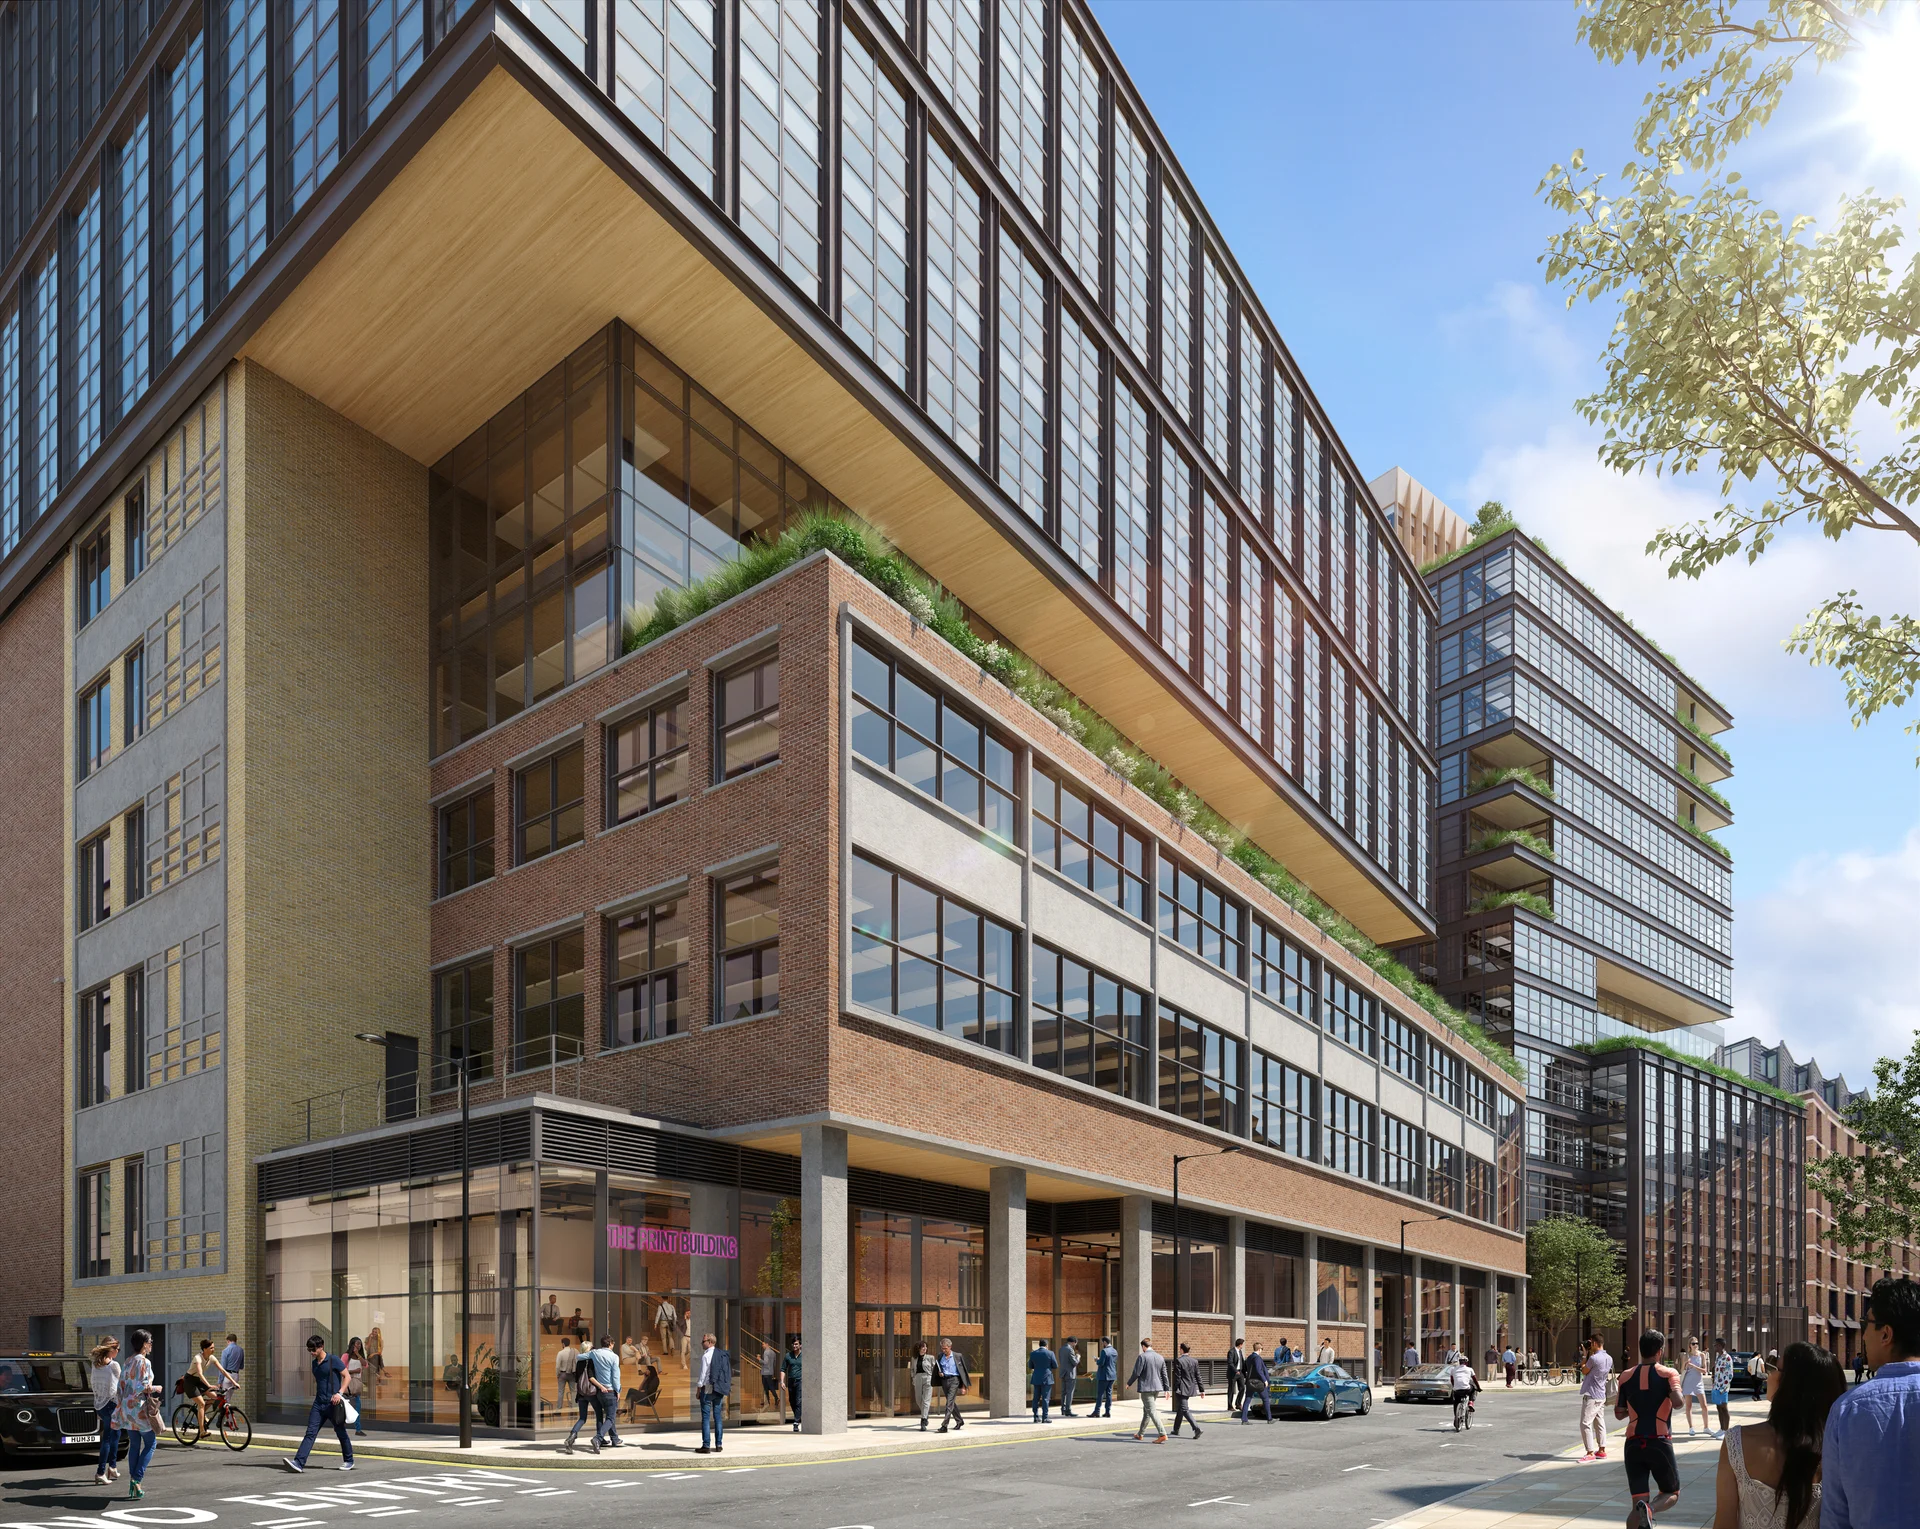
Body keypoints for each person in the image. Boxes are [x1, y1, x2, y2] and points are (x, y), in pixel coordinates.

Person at [1819, 1274, 1920, 1529]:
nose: (1863, 1334)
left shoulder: (1848, 1409)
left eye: (1866, 1323)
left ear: (1886, 1334)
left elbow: (1835, 1517)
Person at [1711, 1339, 1843, 1529]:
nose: (1769, 1374)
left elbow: (1724, 1522)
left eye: (1775, 1368)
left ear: (1789, 1383)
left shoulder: (1738, 1442)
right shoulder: (1838, 1447)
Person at [1614, 1327, 1684, 1529]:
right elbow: (1678, 1403)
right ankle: (1651, 1508)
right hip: (1659, 1441)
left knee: (1637, 1503)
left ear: (1640, 1349)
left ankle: (1644, 1508)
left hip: (1633, 1444)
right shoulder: (1668, 1373)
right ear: (1660, 1351)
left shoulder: (1625, 1376)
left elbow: (1619, 1413)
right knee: (1671, 1493)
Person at [284, 1333, 354, 1474]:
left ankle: (349, 1460)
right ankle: (298, 1462)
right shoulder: (314, 1363)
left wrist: (339, 1393)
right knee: (310, 1432)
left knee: (340, 1432)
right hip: (319, 1403)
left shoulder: (333, 1360)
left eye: (313, 1350)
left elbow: (347, 1376)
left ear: (321, 1347)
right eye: (309, 1350)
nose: (311, 1352)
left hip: (333, 1404)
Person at [116, 1329, 162, 1500]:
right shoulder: (144, 1362)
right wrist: (157, 1388)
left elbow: (121, 1387)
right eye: (150, 1342)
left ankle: (134, 1483)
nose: (151, 1345)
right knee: (151, 1443)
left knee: (135, 1445)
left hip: (127, 1410)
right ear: (144, 1344)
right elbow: (143, 1387)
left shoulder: (127, 1361)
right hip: (140, 1409)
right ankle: (137, 1478)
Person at [186, 1337, 236, 1437]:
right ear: (205, 1349)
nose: (213, 1349)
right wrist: (209, 1385)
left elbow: (223, 1370)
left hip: (199, 1381)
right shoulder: (198, 1358)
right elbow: (200, 1373)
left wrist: (234, 1382)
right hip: (190, 1381)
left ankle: (202, 1413)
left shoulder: (211, 1358)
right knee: (201, 1404)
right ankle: (202, 1431)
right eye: (211, 1348)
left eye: (213, 1347)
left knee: (216, 1398)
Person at [90, 1338, 121, 1486]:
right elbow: (118, 1387)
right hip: (111, 1404)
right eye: (117, 1349)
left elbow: (94, 1385)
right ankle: (101, 1472)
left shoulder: (95, 1365)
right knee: (108, 1438)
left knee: (115, 1434)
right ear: (111, 1349)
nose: (118, 1352)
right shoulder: (114, 1366)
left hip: (100, 1405)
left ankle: (113, 1467)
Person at [694, 1331, 731, 1454]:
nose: (701, 1343)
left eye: (703, 1341)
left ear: (709, 1342)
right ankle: (719, 1444)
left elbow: (703, 1375)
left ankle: (706, 1445)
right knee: (718, 1417)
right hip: (719, 1388)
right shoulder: (722, 1354)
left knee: (705, 1417)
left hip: (708, 1388)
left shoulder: (706, 1356)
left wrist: (699, 1389)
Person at [1579, 1335, 1615, 1461]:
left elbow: (1583, 1370)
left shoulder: (1593, 1358)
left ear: (1594, 1343)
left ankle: (1589, 1452)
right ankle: (1602, 1450)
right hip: (1601, 1393)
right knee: (1599, 1422)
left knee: (1585, 1423)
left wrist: (1584, 1355)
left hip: (1592, 1395)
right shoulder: (1609, 1358)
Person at [1128, 1338, 1169, 1443]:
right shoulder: (1160, 1357)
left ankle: (1162, 1434)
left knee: (1151, 1411)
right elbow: (1164, 1374)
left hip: (1146, 1388)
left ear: (1143, 1346)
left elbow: (1137, 1372)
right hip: (1157, 1388)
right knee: (1147, 1410)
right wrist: (1166, 1389)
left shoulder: (1142, 1357)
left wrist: (1129, 1383)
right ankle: (1140, 1434)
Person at [589, 1334, 622, 1450]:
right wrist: (618, 1390)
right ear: (610, 1344)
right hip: (610, 1390)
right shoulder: (614, 1357)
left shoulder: (595, 1353)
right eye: (613, 1344)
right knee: (611, 1418)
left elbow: (580, 1357)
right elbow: (615, 1376)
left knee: (609, 1415)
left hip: (599, 1392)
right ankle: (597, 1438)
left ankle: (615, 1439)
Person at [1171, 1342, 1205, 1439]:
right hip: (1190, 1387)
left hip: (1182, 1388)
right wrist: (1202, 1389)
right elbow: (1198, 1376)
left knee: (1184, 1409)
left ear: (1181, 1350)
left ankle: (1196, 1428)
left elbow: (1178, 1377)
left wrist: (1175, 1388)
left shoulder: (1179, 1361)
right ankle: (1176, 1429)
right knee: (1181, 1409)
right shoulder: (1194, 1361)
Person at [935, 1337, 969, 1432]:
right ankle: (959, 1421)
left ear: (950, 1347)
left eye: (945, 1348)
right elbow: (939, 1368)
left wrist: (963, 1386)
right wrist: (939, 1373)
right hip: (944, 1380)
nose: (943, 1350)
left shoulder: (958, 1356)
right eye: (942, 1348)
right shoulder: (940, 1356)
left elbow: (963, 1372)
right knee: (951, 1403)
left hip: (955, 1380)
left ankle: (944, 1425)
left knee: (949, 1403)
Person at [1682, 1337, 1710, 1437]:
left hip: (1698, 1382)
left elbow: (1704, 1370)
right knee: (1688, 1406)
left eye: (1697, 1343)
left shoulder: (1702, 1355)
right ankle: (1691, 1427)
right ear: (1690, 1345)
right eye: (1693, 1343)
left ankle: (1706, 1427)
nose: (1695, 1345)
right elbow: (1682, 1370)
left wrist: (1694, 1366)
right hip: (1688, 1382)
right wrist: (1686, 1364)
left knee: (1704, 1406)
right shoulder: (1686, 1355)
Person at [907, 1340, 938, 1431]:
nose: (925, 1348)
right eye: (923, 1347)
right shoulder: (914, 1358)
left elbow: (935, 1368)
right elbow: (912, 1369)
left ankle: (923, 1420)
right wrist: (913, 1378)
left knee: (926, 1400)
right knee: (918, 1399)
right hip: (918, 1378)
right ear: (919, 1348)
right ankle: (925, 1413)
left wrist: (933, 1378)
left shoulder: (930, 1357)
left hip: (928, 1378)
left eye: (926, 1347)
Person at [1239, 1341, 1272, 1424]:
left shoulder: (1249, 1357)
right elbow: (1258, 1370)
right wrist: (1264, 1380)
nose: (1262, 1351)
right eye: (1262, 1349)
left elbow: (1245, 1369)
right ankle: (1269, 1419)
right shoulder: (1257, 1358)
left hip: (1250, 1381)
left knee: (1247, 1400)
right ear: (1259, 1349)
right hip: (1258, 1382)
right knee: (1266, 1399)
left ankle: (1244, 1419)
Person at [1028, 1339, 1058, 1423]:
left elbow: (1030, 1366)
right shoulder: (1050, 1353)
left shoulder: (1033, 1353)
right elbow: (1055, 1365)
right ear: (1046, 1345)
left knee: (1036, 1398)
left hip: (1036, 1377)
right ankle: (1045, 1417)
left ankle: (1035, 1417)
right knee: (1045, 1398)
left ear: (1039, 1345)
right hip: (1047, 1378)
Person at [1711, 1338, 1735, 1439]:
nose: (1714, 1347)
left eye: (1716, 1345)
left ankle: (1726, 1431)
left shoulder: (1727, 1358)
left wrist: (1723, 1387)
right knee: (1718, 1408)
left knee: (1724, 1408)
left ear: (1720, 1346)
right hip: (1716, 1386)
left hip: (1723, 1388)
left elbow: (1730, 1374)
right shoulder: (1718, 1357)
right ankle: (1721, 1429)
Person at [342, 1338, 367, 1436]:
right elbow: (341, 1369)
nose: (358, 1346)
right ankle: (340, 1427)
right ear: (352, 1345)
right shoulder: (346, 1356)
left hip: (356, 1384)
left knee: (357, 1408)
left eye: (360, 1344)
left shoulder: (360, 1357)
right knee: (343, 1408)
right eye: (357, 1344)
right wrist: (353, 1371)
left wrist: (358, 1354)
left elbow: (365, 1365)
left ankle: (358, 1429)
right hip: (347, 1384)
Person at [1450, 1354, 1480, 1431]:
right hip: (1466, 1389)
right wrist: (1478, 1388)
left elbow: (1452, 1380)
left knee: (1456, 1402)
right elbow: (1475, 1380)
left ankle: (1456, 1418)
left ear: (1459, 1362)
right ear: (1466, 1363)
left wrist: (1454, 1386)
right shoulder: (1470, 1369)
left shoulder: (1453, 1369)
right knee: (1473, 1388)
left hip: (1457, 1389)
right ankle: (1470, 1403)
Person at [782, 1337, 804, 1434]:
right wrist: (782, 1381)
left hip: (800, 1380)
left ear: (800, 1345)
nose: (794, 1346)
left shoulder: (805, 1355)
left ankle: (795, 1422)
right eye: (793, 1344)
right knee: (792, 1401)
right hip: (791, 1381)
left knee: (798, 1401)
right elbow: (783, 1369)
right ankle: (798, 1416)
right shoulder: (788, 1356)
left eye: (796, 1344)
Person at [1093, 1337, 1118, 1418]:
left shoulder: (1104, 1351)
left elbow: (1101, 1363)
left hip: (1104, 1375)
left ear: (1104, 1342)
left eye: (1102, 1342)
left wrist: (1097, 1360)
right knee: (1109, 1394)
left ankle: (1097, 1411)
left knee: (1100, 1394)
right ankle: (1107, 1411)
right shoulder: (1114, 1351)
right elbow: (1111, 1362)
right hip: (1112, 1375)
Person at [554, 1333, 577, 1418]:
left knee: (560, 1392)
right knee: (573, 1392)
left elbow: (557, 1366)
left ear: (563, 1344)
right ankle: (574, 1410)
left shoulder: (560, 1353)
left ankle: (558, 1410)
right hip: (572, 1374)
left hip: (562, 1374)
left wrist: (557, 1374)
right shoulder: (574, 1352)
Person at [1059, 1337, 1080, 1418]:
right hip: (1070, 1374)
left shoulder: (1061, 1349)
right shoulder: (1070, 1349)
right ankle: (1068, 1410)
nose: (1075, 1345)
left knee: (1063, 1392)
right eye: (1075, 1343)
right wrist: (1078, 1357)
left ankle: (1063, 1409)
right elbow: (1074, 1362)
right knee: (1069, 1392)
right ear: (1073, 1342)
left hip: (1063, 1373)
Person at [1225, 1337, 1247, 1415]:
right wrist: (1235, 1371)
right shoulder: (1231, 1352)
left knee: (1242, 1388)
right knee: (1231, 1390)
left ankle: (1238, 1404)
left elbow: (1242, 1362)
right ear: (1240, 1344)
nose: (1242, 1346)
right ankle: (1230, 1406)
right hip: (1233, 1373)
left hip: (1240, 1373)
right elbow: (1230, 1363)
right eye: (1242, 1345)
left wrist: (1245, 1372)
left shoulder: (1240, 1352)